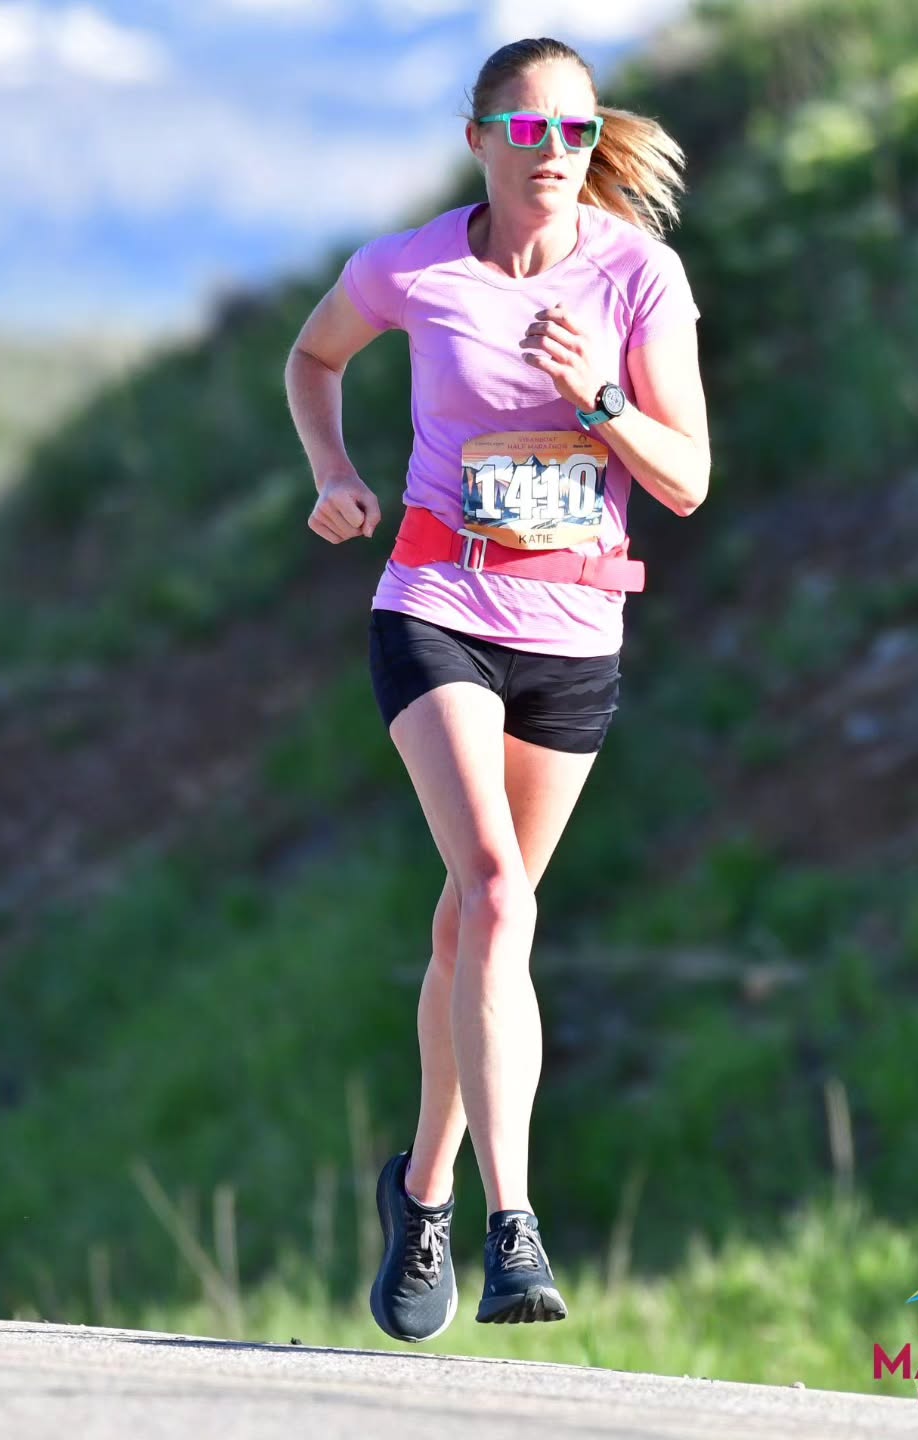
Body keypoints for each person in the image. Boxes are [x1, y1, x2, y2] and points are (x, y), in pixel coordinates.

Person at [284, 35, 709, 1343]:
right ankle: (510, 1227)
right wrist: (333, 475)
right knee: (493, 887)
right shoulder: (415, 266)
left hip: (577, 623)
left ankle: (418, 1192)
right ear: (479, 139)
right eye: (527, 132)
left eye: (575, 133)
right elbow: (314, 358)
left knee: (478, 931)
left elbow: (686, 478)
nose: (553, 156)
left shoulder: (639, 275)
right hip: (438, 604)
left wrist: (595, 394)